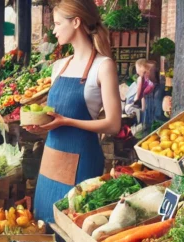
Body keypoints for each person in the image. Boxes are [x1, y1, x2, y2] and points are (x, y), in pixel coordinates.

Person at [30, 0, 121, 220]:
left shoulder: (103, 66)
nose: (53, 30)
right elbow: (55, 115)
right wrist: (39, 124)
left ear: (77, 22)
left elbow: (113, 124)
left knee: (73, 226)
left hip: (83, 160)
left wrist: (67, 121)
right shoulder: (59, 66)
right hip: (51, 158)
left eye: (58, 23)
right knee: (44, 222)